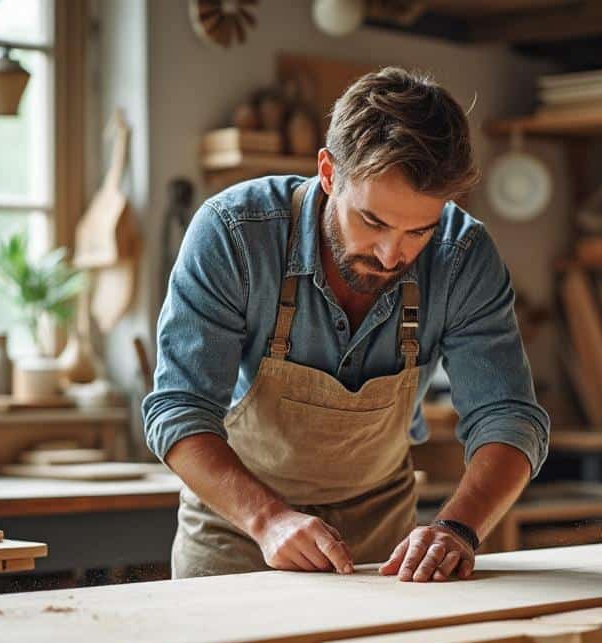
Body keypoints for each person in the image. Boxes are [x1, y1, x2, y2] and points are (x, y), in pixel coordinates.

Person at [143, 66, 549, 582]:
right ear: (329, 173)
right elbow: (179, 411)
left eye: (418, 231)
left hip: (383, 537)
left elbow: (508, 418)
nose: (391, 254)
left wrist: (458, 529)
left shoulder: (462, 255)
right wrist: (268, 520)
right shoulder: (234, 234)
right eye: (373, 221)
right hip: (239, 525)